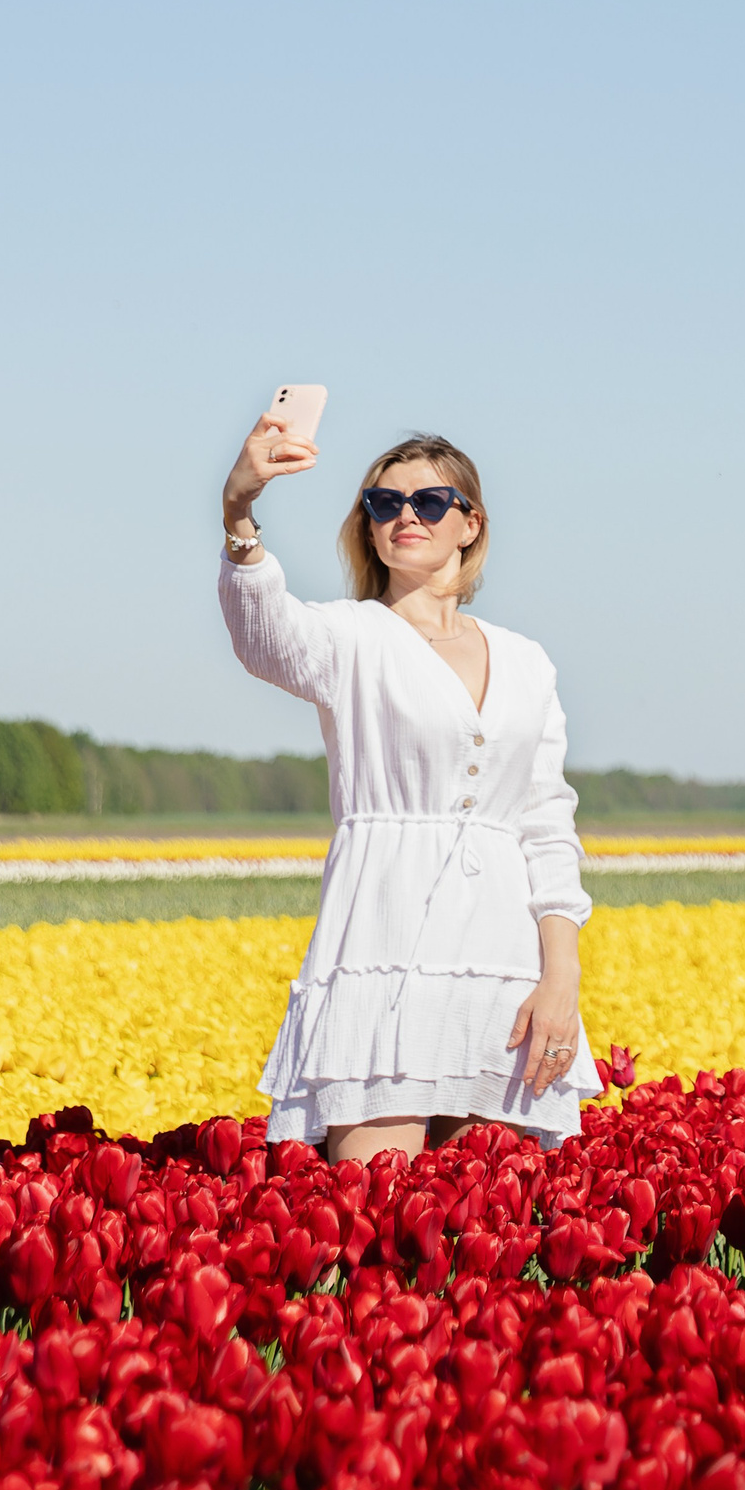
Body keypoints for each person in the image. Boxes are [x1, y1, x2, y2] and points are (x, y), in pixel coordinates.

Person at [216, 412, 597, 1161]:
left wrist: (562, 976)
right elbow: (262, 633)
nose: (404, 517)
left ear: (470, 523)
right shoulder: (351, 637)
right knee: (371, 1218)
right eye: (383, 504)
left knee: (490, 1235)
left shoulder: (527, 662)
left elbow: (546, 826)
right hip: (381, 951)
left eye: (428, 502)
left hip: (499, 965)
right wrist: (238, 511)